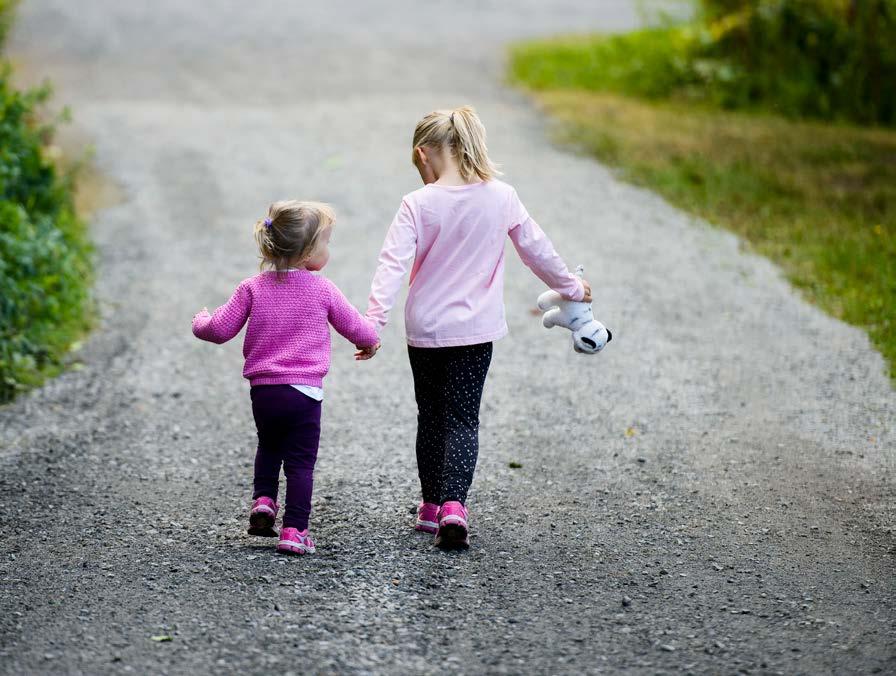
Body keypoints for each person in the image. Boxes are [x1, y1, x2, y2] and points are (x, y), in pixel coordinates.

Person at [364, 106, 591, 549]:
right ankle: (454, 506)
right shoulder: (501, 196)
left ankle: (430, 508)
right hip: (474, 331)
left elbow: (391, 265)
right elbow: (536, 250)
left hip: (425, 330)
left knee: (429, 416)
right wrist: (572, 287)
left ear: (422, 154)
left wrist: (373, 324)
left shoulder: (416, 203)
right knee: (463, 419)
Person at [192, 201, 379, 555]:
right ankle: (294, 530)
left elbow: (218, 330)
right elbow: (356, 325)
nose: (329, 250)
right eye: (326, 242)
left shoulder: (251, 287)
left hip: (264, 393)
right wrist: (370, 342)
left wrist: (201, 319)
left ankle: (263, 501)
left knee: (269, 444)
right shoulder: (323, 289)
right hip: (304, 393)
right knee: (300, 462)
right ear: (308, 251)